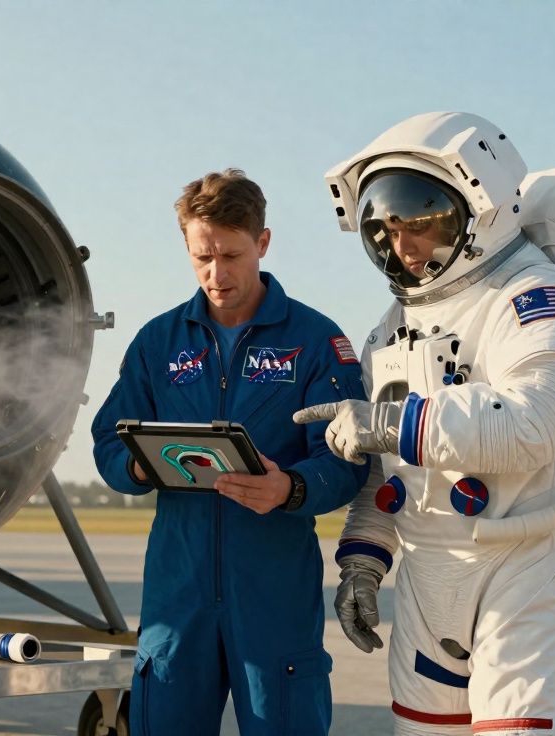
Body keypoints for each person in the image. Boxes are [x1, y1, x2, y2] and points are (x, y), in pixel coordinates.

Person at [296, 112, 555, 735]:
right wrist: (364, 562)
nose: (401, 244)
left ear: (481, 210)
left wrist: (391, 424)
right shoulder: (391, 328)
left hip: (526, 567)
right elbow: (385, 473)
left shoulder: (537, 300)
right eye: (385, 228)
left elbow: (536, 423)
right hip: (428, 574)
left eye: (418, 221)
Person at [91, 169, 369, 735]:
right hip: (177, 591)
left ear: (262, 243)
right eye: (202, 257)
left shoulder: (316, 341)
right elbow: (105, 444)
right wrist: (140, 464)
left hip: (274, 591)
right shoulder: (158, 342)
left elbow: (348, 459)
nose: (216, 274)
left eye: (232, 255)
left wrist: (289, 488)